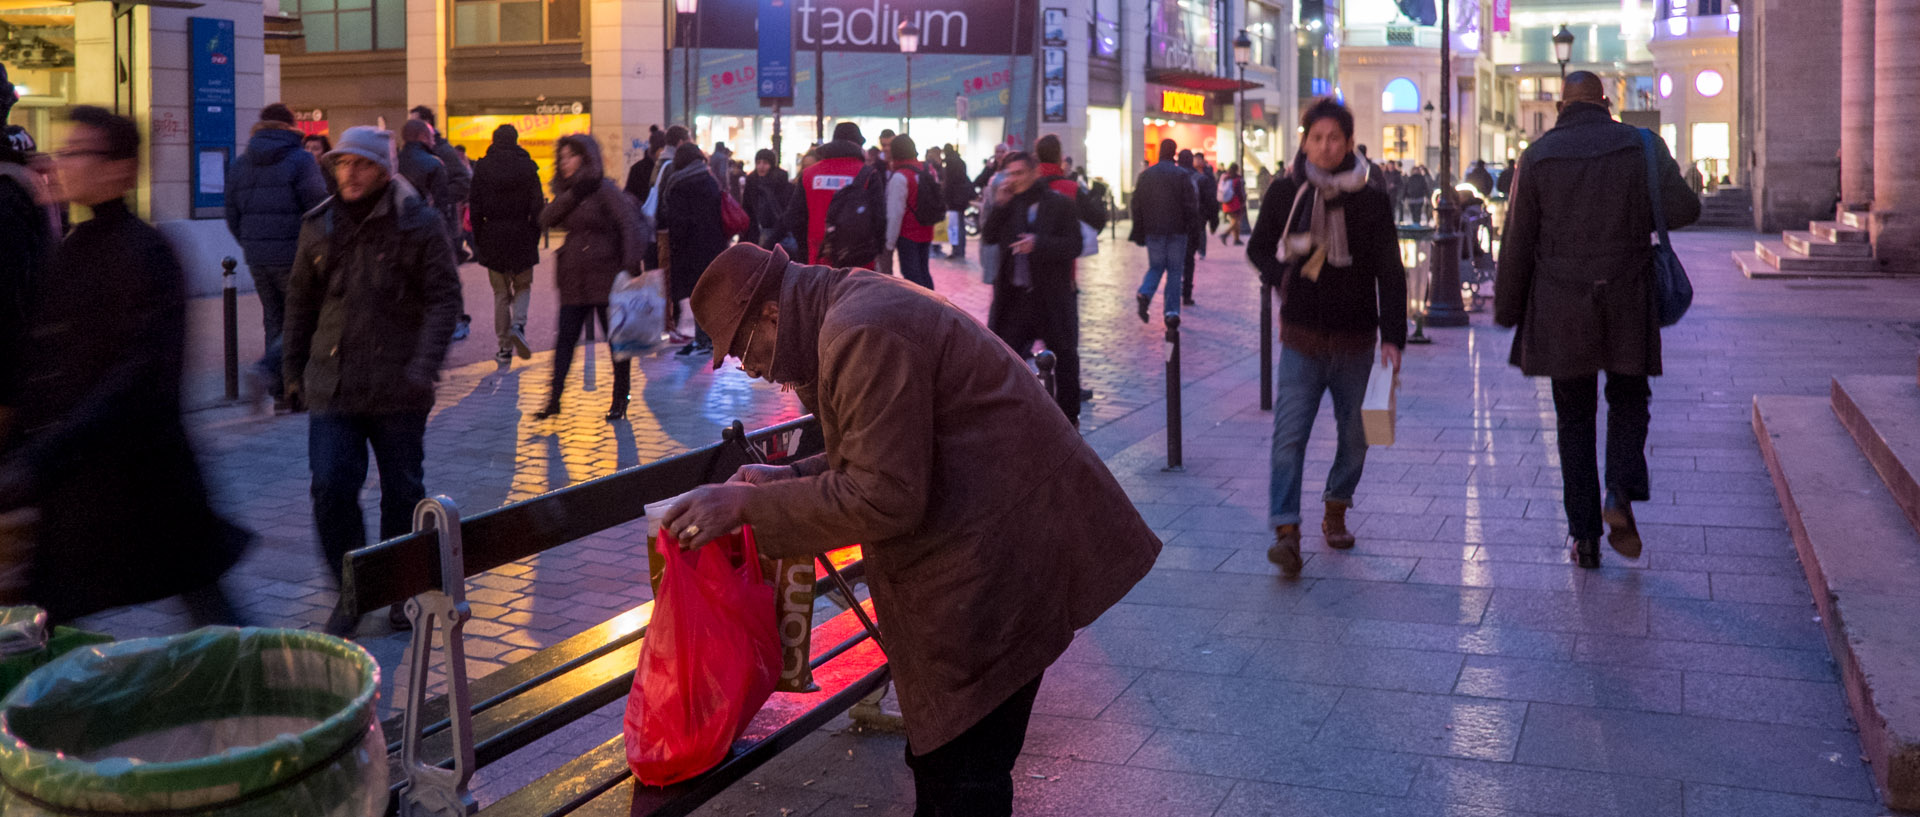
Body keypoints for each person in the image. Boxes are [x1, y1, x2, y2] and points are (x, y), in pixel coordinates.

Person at [665, 240, 1160, 817]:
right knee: (951, 769)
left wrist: (744, 510)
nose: (752, 369)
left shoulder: (859, 330)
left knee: (963, 775)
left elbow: (883, 495)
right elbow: (879, 451)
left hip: (1001, 559)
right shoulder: (845, 309)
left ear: (771, 314)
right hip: (993, 545)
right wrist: (776, 482)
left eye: (745, 350)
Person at [0, 105, 252, 625]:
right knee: (53, 614)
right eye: (62, 150)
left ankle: (264, 690)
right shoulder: (73, 246)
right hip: (85, 480)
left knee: (208, 612)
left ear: (120, 168)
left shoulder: (147, 251)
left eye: (77, 152)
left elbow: (142, 376)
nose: (61, 162)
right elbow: (44, 355)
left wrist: (46, 452)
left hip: (142, 477)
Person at [1493, 71, 1700, 570]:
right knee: (1630, 397)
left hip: (1562, 304)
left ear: (1562, 105)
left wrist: (1507, 308)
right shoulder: (1641, 146)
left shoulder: (1538, 156)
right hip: (1628, 294)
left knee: (1573, 418)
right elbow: (1684, 209)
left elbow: (1518, 241)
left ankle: (1584, 538)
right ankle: (1619, 494)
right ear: (1606, 102)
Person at [284, 125, 462, 635]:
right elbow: (300, 303)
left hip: (398, 385)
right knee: (331, 487)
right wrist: (292, 372)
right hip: (333, 383)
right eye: (342, 164)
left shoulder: (417, 223)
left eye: (360, 164)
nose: (349, 173)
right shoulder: (319, 225)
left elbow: (444, 299)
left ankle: (398, 589)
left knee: (402, 492)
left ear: (385, 170)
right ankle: (353, 591)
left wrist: (421, 370)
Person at [1246, 98, 1407, 578]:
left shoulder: (1372, 198)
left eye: (1333, 137)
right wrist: (1284, 277)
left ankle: (1336, 505)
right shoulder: (1285, 192)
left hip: (1357, 339)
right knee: (1288, 437)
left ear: (1349, 142)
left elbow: (1390, 271)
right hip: (1302, 339)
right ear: (1304, 141)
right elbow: (1258, 248)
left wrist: (1393, 337)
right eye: (1316, 137)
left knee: (1357, 437)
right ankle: (1285, 531)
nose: (1324, 146)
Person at [224, 103, 329, 414]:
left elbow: (231, 212)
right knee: (304, 318)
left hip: (257, 256)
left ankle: (283, 393)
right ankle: (272, 372)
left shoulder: (241, 162)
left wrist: (250, 243)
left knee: (275, 318)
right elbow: (317, 207)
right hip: (295, 254)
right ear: (290, 125)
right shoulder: (301, 159)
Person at [533, 134, 646, 418]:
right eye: (562, 157)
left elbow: (628, 224)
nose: (564, 162)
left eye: (570, 156)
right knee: (565, 341)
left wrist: (629, 270)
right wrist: (574, 194)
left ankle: (620, 399)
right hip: (574, 280)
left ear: (585, 157)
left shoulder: (605, 188)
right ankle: (553, 400)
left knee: (617, 342)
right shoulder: (571, 190)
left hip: (606, 278)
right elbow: (546, 218)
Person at [983, 151, 1084, 424]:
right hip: (1014, 298)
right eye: (1010, 174)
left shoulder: (1059, 204)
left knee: (1064, 356)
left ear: (1035, 172)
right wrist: (999, 205)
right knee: (1004, 358)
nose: (1014, 180)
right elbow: (989, 237)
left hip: (1051, 296)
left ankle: (1068, 419)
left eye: (1019, 173)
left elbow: (1075, 245)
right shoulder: (1008, 203)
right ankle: (1011, 415)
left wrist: (1039, 244)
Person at [470, 124, 544, 367]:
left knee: (500, 293)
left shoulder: (482, 168)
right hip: (522, 232)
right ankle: (518, 324)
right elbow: (537, 207)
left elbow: (475, 207)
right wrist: (534, 234)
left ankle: (503, 349)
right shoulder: (528, 166)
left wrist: (480, 239)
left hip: (493, 233)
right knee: (523, 285)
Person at [410, 106, 476, 339]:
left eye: (416, 123)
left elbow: (463, 183)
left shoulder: (443, 151)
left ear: (428, 125)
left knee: (446, 274)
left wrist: (436, 197)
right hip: (419, 223)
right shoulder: (412, 152)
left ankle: (458, 320)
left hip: (443, 225)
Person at [659, 142, 730, 356]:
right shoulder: (708, 179)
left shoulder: (679, 183)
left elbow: (678, 221)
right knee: (705, 292)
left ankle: (703, 340)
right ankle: (705, 339)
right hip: (711, 244)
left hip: (690, 247)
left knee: (696, 293)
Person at [1129, 139, 1198, 323]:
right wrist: (1192, 228)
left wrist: (1140, 228)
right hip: (1178, 230)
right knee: (1175, 271)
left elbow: (1136, 204)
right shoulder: (1182, 175)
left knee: (1156, 266)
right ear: (1174, 153)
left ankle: (1145, 293)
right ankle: (1171, 312)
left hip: (1154, 230)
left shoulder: (1146, 175)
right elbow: (1191, 206)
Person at [783, 122, 868, 265]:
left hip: (818, 255)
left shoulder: (809, 174)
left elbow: (795, 216)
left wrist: (805, 247)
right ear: (857, 145)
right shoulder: (868, 174)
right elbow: (879, 219)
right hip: (858, 257)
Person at [883, 133, 937, 290]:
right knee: (924, 272)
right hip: (927, 229)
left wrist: (889, 244)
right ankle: (933, 305)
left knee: (912, 276)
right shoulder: (928, 169)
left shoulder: (900, 176)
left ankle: (921, 309)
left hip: (907, 234)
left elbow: (895, 214)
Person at [398, 119, 453, 234]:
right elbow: (441, 204)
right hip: (426, 229)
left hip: (398, 228)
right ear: (423, 136)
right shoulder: (434, 163)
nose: (434, 142)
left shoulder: (393, 162)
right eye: (432, 137)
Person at [1176, 150, 1211, 306]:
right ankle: (1187, 294)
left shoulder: (1174, 176)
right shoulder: (1199, 178)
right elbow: (1207, 201)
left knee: (1175, 261)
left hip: (1175, 225)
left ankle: (1175, 291)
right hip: (1193, 224)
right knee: (1189, 260)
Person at [743, 148, 792, 250]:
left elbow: (786, 209)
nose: (761, 166)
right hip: (756, 231)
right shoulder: (752, 182)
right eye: (758, 162)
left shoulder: (781, 182)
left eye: (765, 163)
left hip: (777, 232)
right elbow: (747, 208)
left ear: (772, 164)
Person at [942, 144, 972, 260]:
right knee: (960, 225)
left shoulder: (950, 163)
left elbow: (949, 183)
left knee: (955, 226)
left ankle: (957, 250)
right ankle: (960, 250)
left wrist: (946, 198)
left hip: (954, 199)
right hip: (961, 198)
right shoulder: (960, 161)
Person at [1219, 163, 1247, 246]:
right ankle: (1225, 234)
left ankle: (1236, 239)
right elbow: (1240, 192)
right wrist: (1243, 200)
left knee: (1234, 221)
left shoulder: (1225, 177)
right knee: (1236, 221)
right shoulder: (1238, 179)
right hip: (1236, 202)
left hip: (1227, 202)